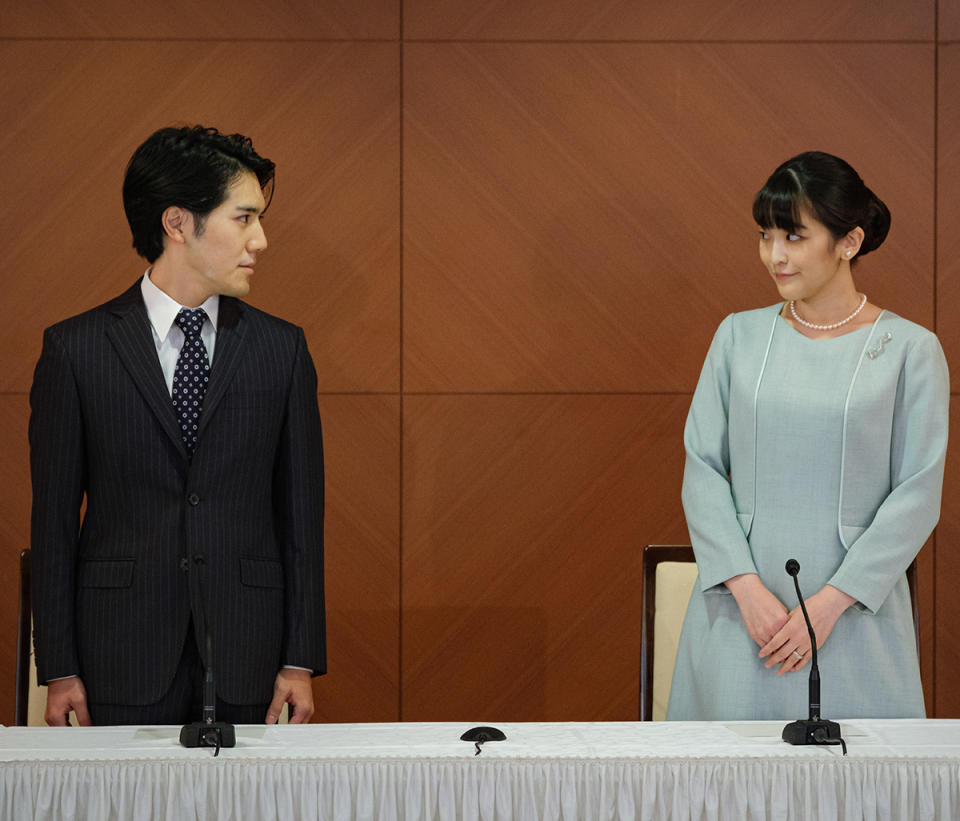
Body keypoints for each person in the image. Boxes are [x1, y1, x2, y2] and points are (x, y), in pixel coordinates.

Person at [29, 125, 326, 726]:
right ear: (178, 223)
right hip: (117, 654)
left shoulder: (282, 349)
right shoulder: (76, 349)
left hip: (251, 655)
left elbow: (301, 519)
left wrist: (299, 660)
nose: (261, 240)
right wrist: (58, 668)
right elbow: (54, 523)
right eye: (243, 218)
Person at [667, 151, 948, 720]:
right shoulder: (736, 337)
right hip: (741, 615)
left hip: (854, 618)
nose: (775, 255)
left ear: (848, 242)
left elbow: (918, 493)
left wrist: (828, 606)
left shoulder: (911, 351)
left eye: (794, 236)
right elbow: (701, 466)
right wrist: (747, 590)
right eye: (765, 235)